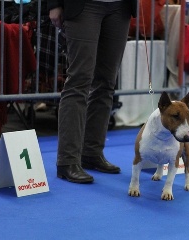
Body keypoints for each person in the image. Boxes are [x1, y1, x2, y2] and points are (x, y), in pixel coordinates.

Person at [48, 0, 137, 183]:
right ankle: (67, 161)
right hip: (84, 6)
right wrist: (54, 4)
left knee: (106, 83)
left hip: (120, 7)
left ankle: (91, 153)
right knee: (79, 81)